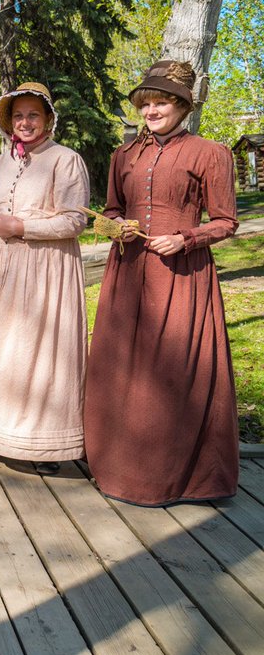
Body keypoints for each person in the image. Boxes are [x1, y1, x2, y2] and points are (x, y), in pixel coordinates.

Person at [84, 60, 239, 506]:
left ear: (182, 106)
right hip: (127, 273)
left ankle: (183, 478)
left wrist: (187, 238)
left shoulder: (211, 153)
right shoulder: (124, 154)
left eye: (162, 102)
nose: (151, 110)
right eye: (146, 103)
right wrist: (116, 227)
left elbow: (227, 222)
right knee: (124, 365)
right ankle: (119, 469)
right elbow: (112, 208)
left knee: (176, 369)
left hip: (182, 275)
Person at [0, 82, 90, 476]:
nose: (25, 122)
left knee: (40, 355)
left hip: (45, 269)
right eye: (18, 115)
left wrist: (20, 225)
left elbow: (75, 219)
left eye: (33, 115)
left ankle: (45, 445)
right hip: (1, 268)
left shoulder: (65, 159)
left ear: (49, 119)